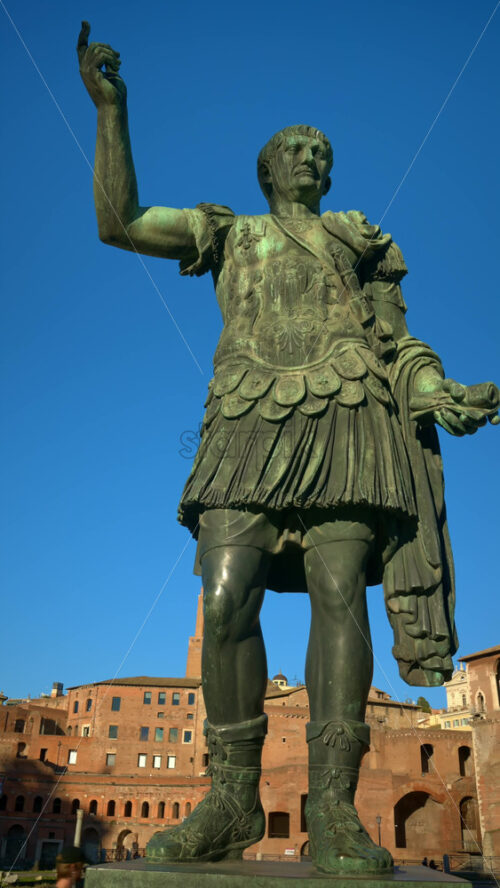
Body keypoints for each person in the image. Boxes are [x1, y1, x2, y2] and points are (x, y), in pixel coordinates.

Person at [77, 22, 499, 875]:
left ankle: (335, 806)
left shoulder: (358, 241)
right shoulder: (229, 234)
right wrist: (111, 111)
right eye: (293, 150)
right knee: (226, 596)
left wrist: (435, 390)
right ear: (266, 171)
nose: (310, 156)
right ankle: (233, 796)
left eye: (321, 151)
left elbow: (398, 343)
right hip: (247, 419)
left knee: (339, 597)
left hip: (348, 416)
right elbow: (119, 221)